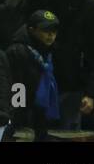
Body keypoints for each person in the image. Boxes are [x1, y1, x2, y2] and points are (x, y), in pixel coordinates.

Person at [4, 9, 63, 139]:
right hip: (22, 115)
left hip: (40, 114)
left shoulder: (49, 50)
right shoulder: (17, 51)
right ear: (32, 30)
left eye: (54, 31)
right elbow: (16, 86)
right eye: (46, 30)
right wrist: (18, 118)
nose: (51, 35)